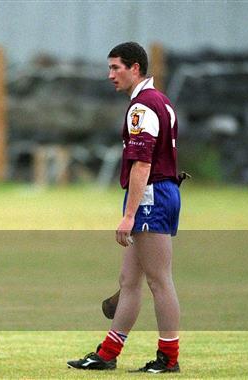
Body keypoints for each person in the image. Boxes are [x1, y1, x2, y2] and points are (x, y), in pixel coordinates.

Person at [67, 42, 181, 373]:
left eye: (116, 68)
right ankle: (107, 353)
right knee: (128, 280)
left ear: (135, 68)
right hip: (161, 192)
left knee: (159, 280)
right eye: (109, 68)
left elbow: (142, 165)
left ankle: (168, 358)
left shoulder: (141, 107)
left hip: (151, 197)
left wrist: (129, 215)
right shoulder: (160, 101)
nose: (110, 75)